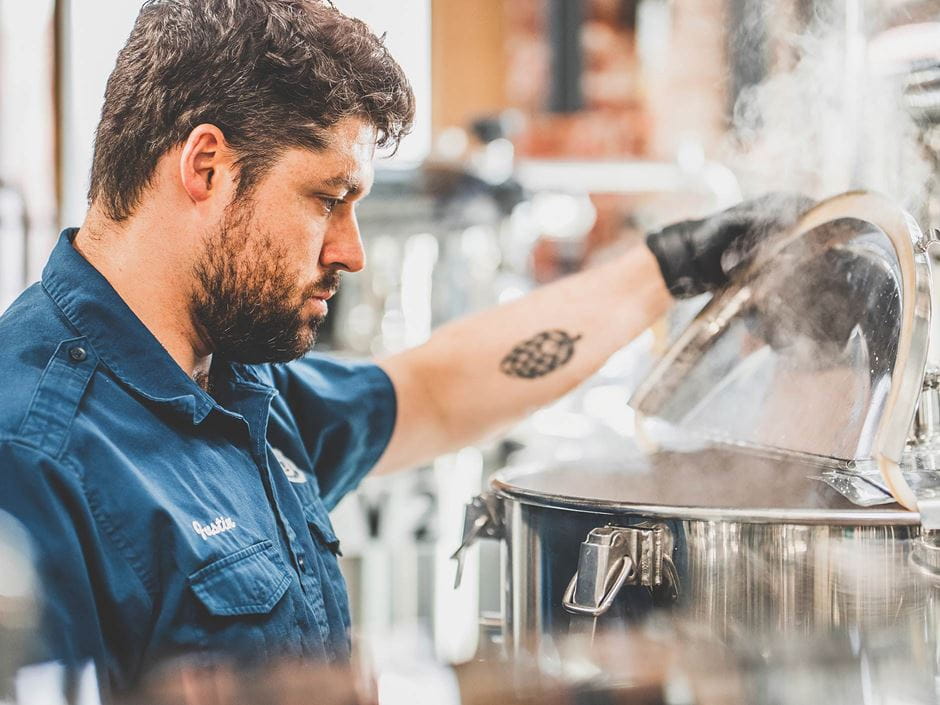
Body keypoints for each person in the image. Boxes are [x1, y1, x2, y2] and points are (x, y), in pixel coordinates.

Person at [0, 0, 811, 694]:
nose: (351, 250)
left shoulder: (233, 380)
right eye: (329, 198)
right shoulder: (33, 455)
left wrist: (674, 263)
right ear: (206, 165)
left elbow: (436, 389)